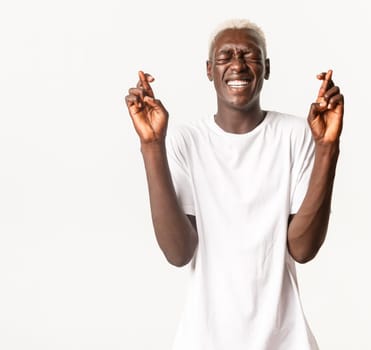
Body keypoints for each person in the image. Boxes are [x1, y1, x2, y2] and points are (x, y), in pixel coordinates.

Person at [125, 18, 343, 350]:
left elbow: (303, 249)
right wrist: (152, 146)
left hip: (285, 340)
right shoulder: (187, 141)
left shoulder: (296, 134)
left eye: (250, 55)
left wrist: (327, 148)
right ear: (210, 70)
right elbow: (178, 252)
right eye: (226, 56)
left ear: (266, 68)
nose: (238, 65)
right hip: (203, 339)